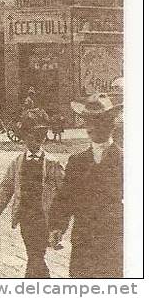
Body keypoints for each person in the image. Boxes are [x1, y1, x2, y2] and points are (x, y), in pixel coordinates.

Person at [48, 93, 123, 278]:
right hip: (83, 239)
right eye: (88, 121)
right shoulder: (77, 161)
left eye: (98, 121)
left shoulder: (126, 160)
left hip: (114, 240)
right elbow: (65, 198)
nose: (91, 127)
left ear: (111, 124)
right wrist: (57, 226)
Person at [0, 108, 65, 278]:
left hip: (43, 216)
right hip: (25, 216)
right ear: (24, 138)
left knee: (36, 255)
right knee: (34, 253)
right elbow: (7, 186)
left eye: (40, 137)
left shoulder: (53, 163)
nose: (36, 141)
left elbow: (64, 191)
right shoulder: (17, 162)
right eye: (31, 137)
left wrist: (62, 216)